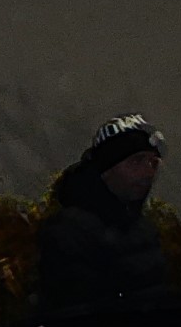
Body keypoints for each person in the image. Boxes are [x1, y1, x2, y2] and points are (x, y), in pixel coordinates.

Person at [35, 113, 169, 314]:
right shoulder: (69, 233)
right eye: (136, 161)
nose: (148, 172)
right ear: (107, 169)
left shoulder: (142, 229)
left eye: (153, 163)